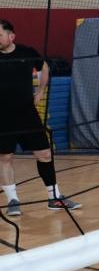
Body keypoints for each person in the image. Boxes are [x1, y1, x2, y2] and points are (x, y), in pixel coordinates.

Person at [0, 18, 80, 217]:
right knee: (5, 157)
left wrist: (41, 90)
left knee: (44, 154)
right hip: (2, 116)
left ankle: (55, 198)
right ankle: (12, 200)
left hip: (27, 114)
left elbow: (44, 67)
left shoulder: (26, 52)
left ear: (11, 36)